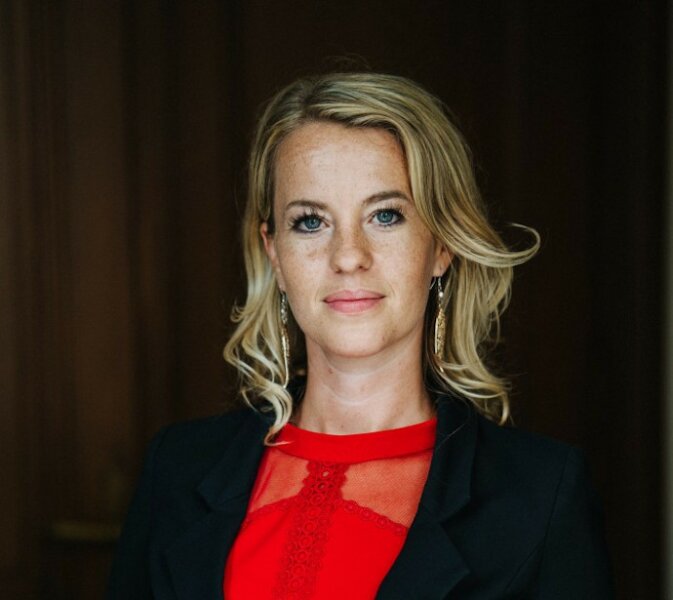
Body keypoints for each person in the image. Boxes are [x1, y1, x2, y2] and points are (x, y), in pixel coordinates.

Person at [107, 72, 614, 599]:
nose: (348, 256)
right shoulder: (177, 467)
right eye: (310, 222)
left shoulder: (541, 496)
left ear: (441, 245)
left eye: (385, 215)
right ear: (274, 253)